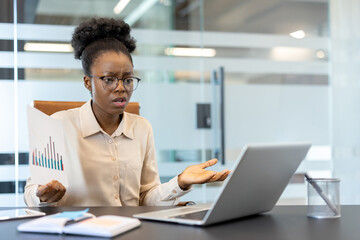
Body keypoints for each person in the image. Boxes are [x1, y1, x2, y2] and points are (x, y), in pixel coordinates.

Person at [24, 18, 230, 207]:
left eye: (128, 79)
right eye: (109, 79)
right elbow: (31, 193)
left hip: (131, 231)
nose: (121, 88)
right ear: (88, 82)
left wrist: (180, 182)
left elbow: (146, 197)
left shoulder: (142, 128)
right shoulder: (58, 124)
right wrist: (42, 195)